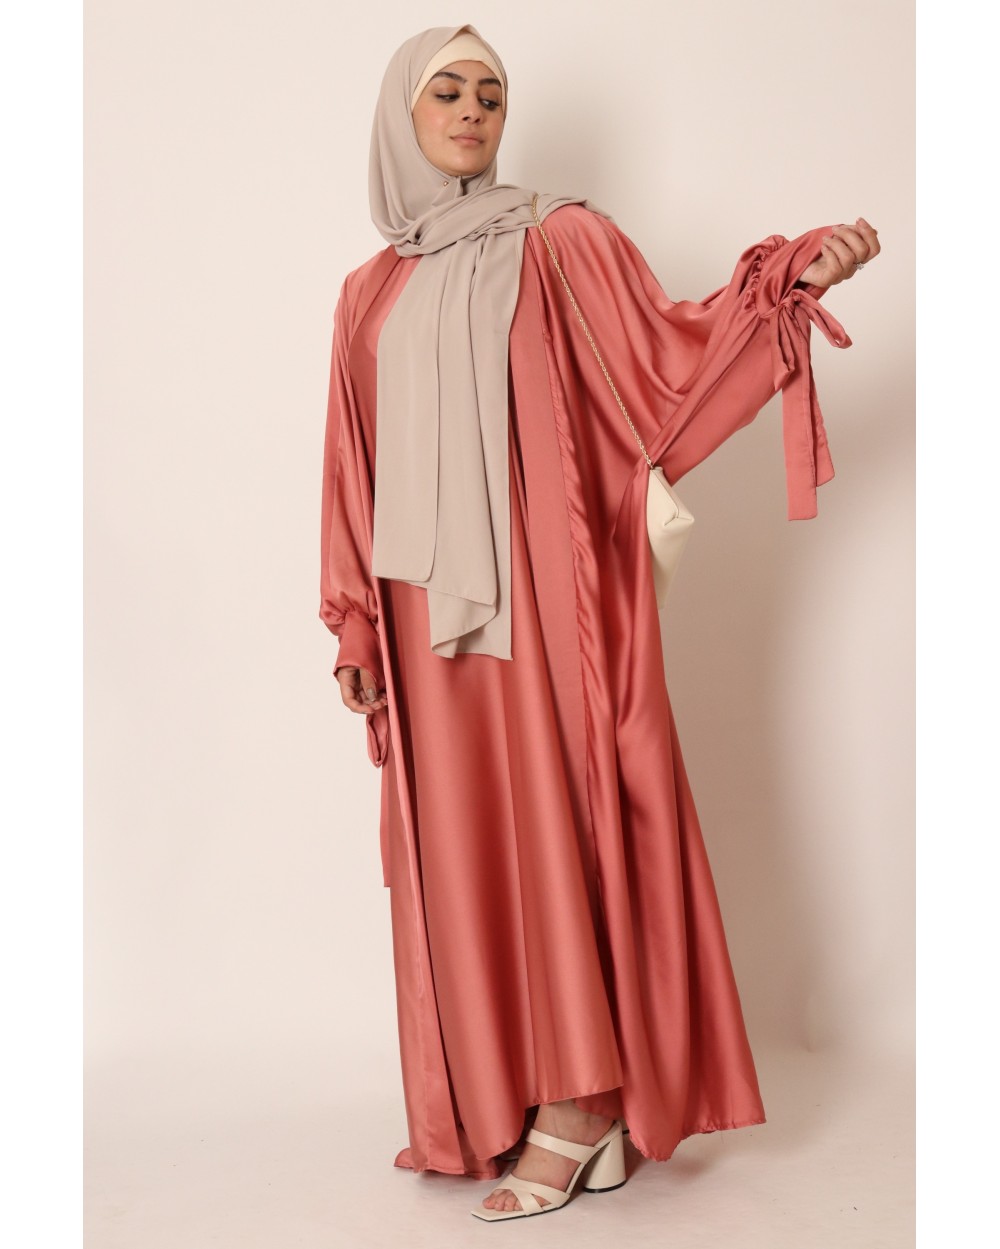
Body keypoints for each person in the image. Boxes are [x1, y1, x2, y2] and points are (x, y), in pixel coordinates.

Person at [319, 22, 879, 1223]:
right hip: (423, 626)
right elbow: (350, 468)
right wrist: (356, 624)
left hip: (544, 600)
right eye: (445, 91)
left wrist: (790, 283)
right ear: (399, 115)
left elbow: (669, 361)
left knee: (562, 820)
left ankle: (579, 1105)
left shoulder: (559, 238)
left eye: (490, 93)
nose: (471, 111)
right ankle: (535, 1099)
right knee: (468, 850)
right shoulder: (368, 293)